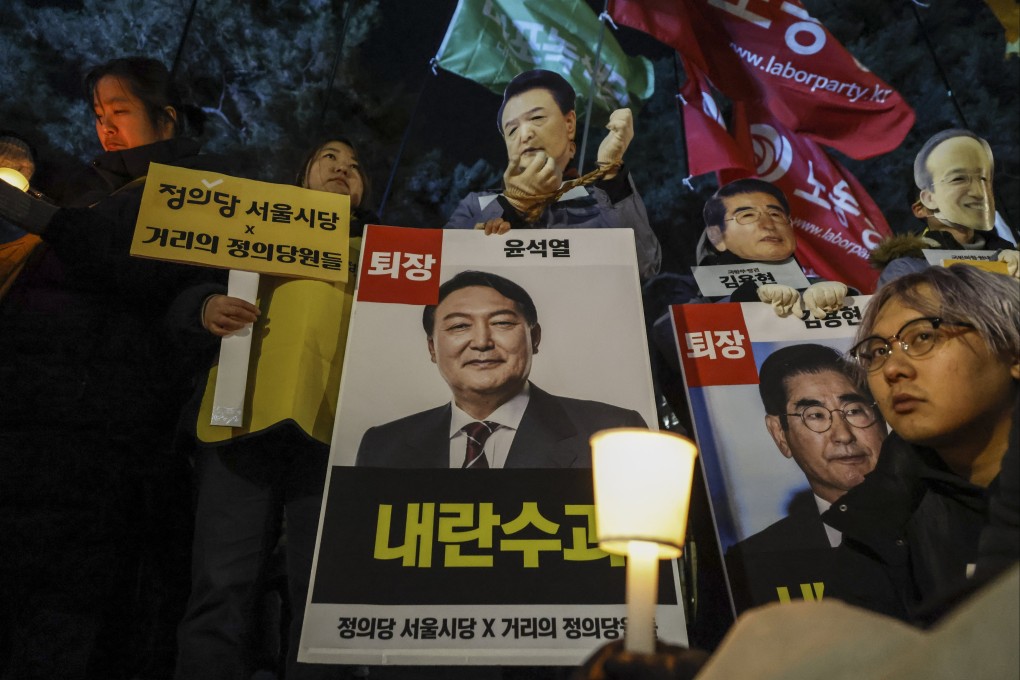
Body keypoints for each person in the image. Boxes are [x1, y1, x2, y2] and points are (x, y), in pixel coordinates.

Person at [0, 57, 228, 679]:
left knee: (72, 611)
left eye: (120, 111)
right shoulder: (79, 186)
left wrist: (45, 220)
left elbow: (147, 272)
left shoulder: (202, 191)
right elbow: (32, 150)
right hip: (26, 417)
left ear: (166, 118)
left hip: (107, 433)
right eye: (98, 114)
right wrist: (18, 150)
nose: (104, 126)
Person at [174, 138, 372, 680]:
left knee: (322, 598)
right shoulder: (247, 226)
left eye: (355, 168)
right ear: (301, 174)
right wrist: (205, 305)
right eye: (329, 157)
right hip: (237, 424)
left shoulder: (381, 253)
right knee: (222, 587)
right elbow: (183, 288)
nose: (343, 168)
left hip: (335, 437)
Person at [822, 264, 1019, 623]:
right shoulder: (884, 515)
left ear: (1014, 353)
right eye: (877, 352)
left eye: (924, 337)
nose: (894, 368)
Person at [356, 270, 648, 469]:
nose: (482, 342)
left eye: (502, 323)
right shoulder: (382, 446)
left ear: (534, 338)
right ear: (432, 348)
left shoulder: (613, 432)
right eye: (459, 326)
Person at [443, 69, 662, 280]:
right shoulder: (477, 205)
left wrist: (611, 170)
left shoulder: (603, 198)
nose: (525, 134)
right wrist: (513, 204)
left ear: (569, 124)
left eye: (537, 118)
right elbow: (443, 268)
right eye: (512, 130)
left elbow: (645, 264)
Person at [724, 344, 887, 610]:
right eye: (815, 416)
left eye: (854, 410)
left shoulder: (945, 522)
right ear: (779, 434)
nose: (843, 435)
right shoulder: (754, 561)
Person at [870, 130, 1018, 286]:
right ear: (921, 208)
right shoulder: (907, 270)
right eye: (958, 179)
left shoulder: (1009, 253)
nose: (978, 192)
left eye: (982, 179)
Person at [698, 178, 848, 318]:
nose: (768, 225)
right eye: (748, 215)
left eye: (776, 214)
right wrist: (745, 298)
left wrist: (847, 300)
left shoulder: (821, 288)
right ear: (716, 236)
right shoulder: (694, 309)